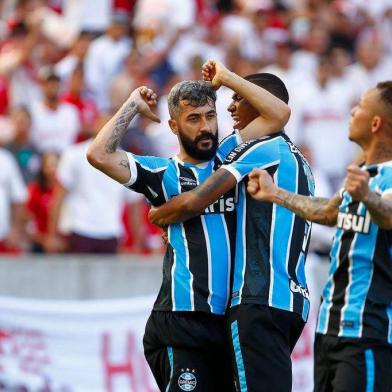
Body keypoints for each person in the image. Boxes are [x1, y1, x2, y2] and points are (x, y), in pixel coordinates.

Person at [86, 62, 290, 391]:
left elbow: (279, 115)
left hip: (229, 322)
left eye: (210, 116)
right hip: (181, 321)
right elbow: (99, 154)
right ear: (173, 125)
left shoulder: (233, 156)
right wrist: (132, 106)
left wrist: (226, 79)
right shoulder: (161, 173)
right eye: (193, 119)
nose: (205, 127)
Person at [149, 61, 313, 392]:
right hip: (291, 300)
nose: (229, 106)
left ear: (261, 100)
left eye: (238, 97)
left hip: (256, 299)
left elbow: (194, 199)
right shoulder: (294, 158)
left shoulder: (263, 148)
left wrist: (159, 215)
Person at [246, 81, 392, 392]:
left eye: (360, 108)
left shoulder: (383, 179)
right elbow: (328, 211)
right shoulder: (362, 173)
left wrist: (368, 196)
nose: (352, 112)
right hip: (330, 327)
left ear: (376, 123)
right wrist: (276, 194)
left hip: (369, 329)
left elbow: (389, 214)